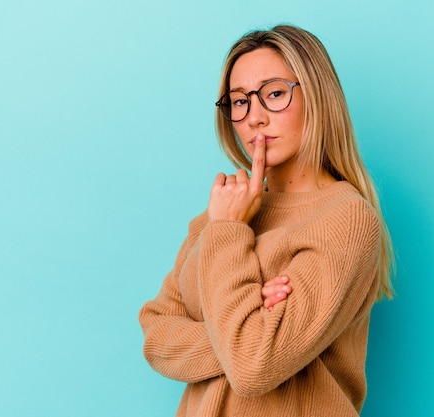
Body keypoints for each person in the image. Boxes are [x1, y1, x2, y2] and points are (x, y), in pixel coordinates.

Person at [138, 24, 394, 416]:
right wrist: (243, 327)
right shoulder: (225, 209)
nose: (254, 117)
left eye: (274, 94)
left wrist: (228, 235)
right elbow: (156, 334)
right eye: (239, 102)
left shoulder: (346, 219)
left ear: (318, 97)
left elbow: (254, 366)